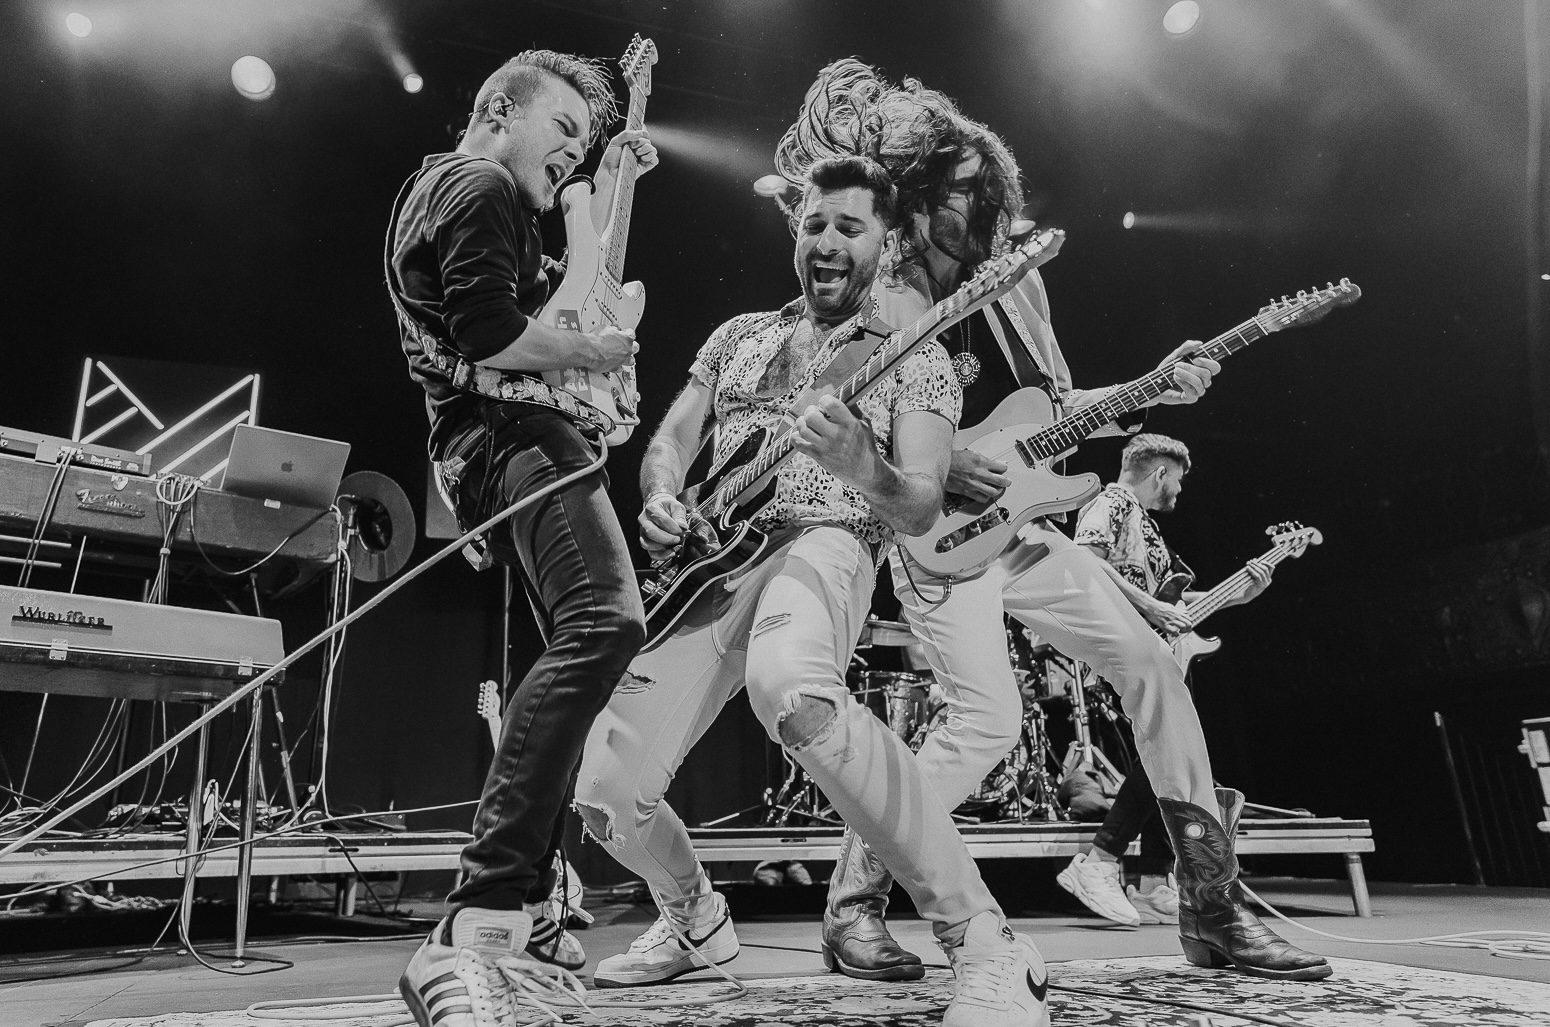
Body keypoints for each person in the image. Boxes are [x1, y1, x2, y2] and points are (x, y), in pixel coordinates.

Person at [775, 59, 1330, 983]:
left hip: (1025, 528)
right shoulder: (881, 284)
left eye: (988, 189)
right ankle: (854, 900)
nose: (983, 205)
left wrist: (1155, 387)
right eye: (961, 190)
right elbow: (822, 405)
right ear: (918, 192)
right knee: (986, 726)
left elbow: (1057, 406)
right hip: (937, 538)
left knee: (1153, 665)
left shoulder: (1017, 283)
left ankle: (1212, 905)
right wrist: (940, 460)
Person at [575, 156, 1050, 1027]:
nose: (828, 241)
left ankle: (987, 941)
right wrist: (663, 495)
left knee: (792, 690)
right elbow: (672, 438)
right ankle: (694, 918)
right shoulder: (738, 336)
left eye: (850, 227)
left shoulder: (917, 357)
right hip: (712, 564)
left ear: (886, 243)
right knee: (604, 794)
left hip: (826, 537)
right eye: (815, 224)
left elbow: (918, 503)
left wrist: (863, 464)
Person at [384, 49, 658, 1027]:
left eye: (585, 143)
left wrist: (615, 168)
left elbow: (567, 284)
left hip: (489, 447)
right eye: (562, 131)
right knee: (605, 623)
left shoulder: (440, 191)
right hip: (516, 438)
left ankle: (533, 909)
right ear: (500, 110)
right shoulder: (482, 184)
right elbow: (490, 329)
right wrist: (590, 352)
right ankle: (482, 915)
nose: (570, 156)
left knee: (573, 656)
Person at [1056, 433, 1274, 927]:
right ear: (1160, 473)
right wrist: (1151, 607)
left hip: (1152, 647)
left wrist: (1240, 593)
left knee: (1166, 756)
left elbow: (1171, 600)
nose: (1178, 490)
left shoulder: (1145, 525)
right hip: (1120, 645)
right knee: (1165, 752)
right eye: (1177, 479)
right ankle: (1099, 860)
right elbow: (1083, 560)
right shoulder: (1112, 502)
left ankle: (1155, 880)